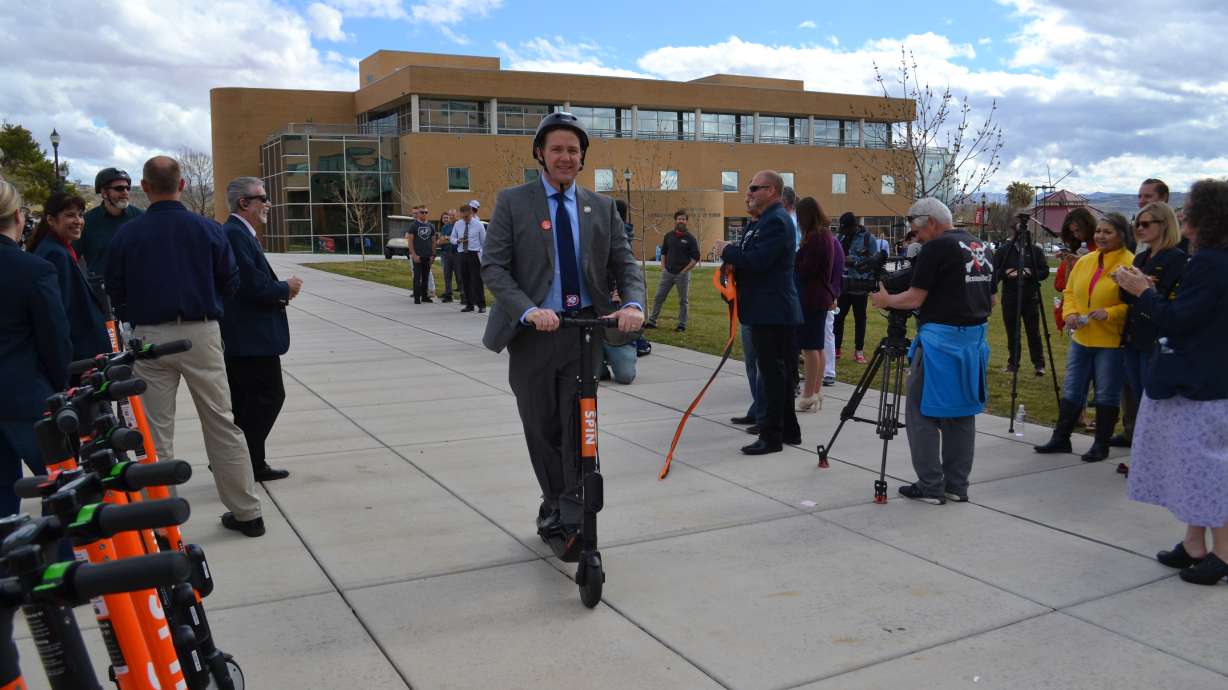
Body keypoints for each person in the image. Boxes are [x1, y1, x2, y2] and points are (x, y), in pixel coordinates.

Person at [480, 112, 644, 546]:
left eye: (573, 150)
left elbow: (624, 263)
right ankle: (554, 500)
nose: (566, 157)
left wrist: (632, 303)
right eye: (557, 149)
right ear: (540, 153)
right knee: (542, 425)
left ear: (582, 157)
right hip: (534, 334)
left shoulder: (601, 207)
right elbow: (494, 267)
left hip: (582, 331)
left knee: (579, 426)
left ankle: (572, 510)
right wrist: (528, 310)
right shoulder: (514, 201)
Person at [105, 156, 264, 537]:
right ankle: (247, 512)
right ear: (180, 185)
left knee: (155, 432)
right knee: (222, 423)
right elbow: (230, 280)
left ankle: (160, 524)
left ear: (145, 187)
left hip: (149, 337)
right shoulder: (209, 229)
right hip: (201, 331)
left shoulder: (127, 235)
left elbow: (114, 288)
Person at [1115, 178, 1228, 586]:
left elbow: (1180, 322)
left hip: (1202, 384)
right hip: (1205, 380)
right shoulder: (1211, 259)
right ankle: (1194, 544)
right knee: (1194, 466)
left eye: (1190, 207)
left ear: (1208, 216)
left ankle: (1223, 554)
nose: (1182, 214)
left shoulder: (1210, 263)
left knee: (1209, 467)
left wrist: (1143, 292)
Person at [870, 198, 994, 505]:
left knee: (921, 412)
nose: (915, 237)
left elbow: (913, 298)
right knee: (961, 413)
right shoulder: (980, 245)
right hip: (973, 343)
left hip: (940, 342)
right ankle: (956, 484)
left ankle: (930, 484)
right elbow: (991, 301)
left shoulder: (937, 247)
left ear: (932, 223)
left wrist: (886, 301)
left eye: (916, 230)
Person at [713, 171, 802, 455]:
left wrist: (727, 251)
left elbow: (758, 261)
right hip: (765, 309)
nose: (748, 193)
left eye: (754, 188)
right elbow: (751, 258)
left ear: (773, 190)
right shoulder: (762, 222)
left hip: (773, 311)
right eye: (748, 189)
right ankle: (788, 430)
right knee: (778, 374)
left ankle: (772, 436)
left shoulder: (776, 221)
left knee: (774, 376)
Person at [219, 176, 301, 483]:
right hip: (249, 339)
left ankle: (244, 462)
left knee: (246, 403)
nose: (268, 203)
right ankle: (244, 463)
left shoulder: (241, 233)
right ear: (244, 203)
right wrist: (285, 287)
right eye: (262, 198)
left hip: (247, 337)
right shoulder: (236, 234)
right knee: (268, 397)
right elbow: (250, 285)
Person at [1034, 213, 1134, 463]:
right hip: (1081, 337)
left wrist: (1109, 313)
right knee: (1073, 387)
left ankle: (1101, 445)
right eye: (1099, 231)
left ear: (1121, 235)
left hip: (1110, 342)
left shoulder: (1130, 263)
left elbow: (1135, 303)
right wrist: (1070, 313)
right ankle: (1061, 437)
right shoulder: (1085, 261)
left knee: (1106, 393)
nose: (1101, 236)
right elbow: (1070, 292)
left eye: (1107, 232)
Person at [0, 181, 72, 516]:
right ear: (18, 216)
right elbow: (55, 341)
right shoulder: (33, 270)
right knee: (65, 492)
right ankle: (63, 563)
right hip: (26, 396)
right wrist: (61, 388)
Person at [1113, 202, 1187, 469]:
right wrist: (1123, 281)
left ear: (1164, 225)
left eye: (1146, 224)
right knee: (1138, 396)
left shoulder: (1175, 258)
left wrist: (1143, 288)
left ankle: (1154, 459)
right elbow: (1126, 297)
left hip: (1154, 337)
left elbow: (1167, 299)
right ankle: (1144, 457)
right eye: (1137, 224)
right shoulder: (1141, 258)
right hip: (1133, 335)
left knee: (1152, 398)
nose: (1140, 229)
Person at [28, 192, 111, 363]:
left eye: (80, 215)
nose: (78, 221)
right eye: (70, 215)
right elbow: (59, 313)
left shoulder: (60, 249)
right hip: (78, 357)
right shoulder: (55, 254)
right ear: (51, 220)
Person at [990, 225, 1051, 375]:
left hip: (1030, 297)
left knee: (1033, 332)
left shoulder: (1035, 251)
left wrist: (1031, 272)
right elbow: (994, 273)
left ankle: (1039, 364)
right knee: (1012, 332)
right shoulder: (1004, 250)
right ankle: (1013, 364)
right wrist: (1005, 273)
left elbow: (1045, 271)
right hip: (1010, 297)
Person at [793, 197, 835, 412]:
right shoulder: (825, 235)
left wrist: (795, 261)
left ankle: (808, 394)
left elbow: (806, 269)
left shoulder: (816, 238)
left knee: (810, 348)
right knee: (817, 346)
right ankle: (816, 391)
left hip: (811, 297)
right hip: (819, 297)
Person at [76, 167, 143, 279]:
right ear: (104, 193)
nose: (125, 192)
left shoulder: (141, 218)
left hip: (135, 289)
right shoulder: (87, 221)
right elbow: (72, 257)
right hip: (100, 290)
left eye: (127, 188)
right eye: (119, 188)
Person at [645, 209, 700, 332]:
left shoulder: (690, 238)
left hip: (682, 275)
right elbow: (663, 252)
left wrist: (684, 271)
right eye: (679, 219)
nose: (681, 221)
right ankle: (652, 321)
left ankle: (682, 324)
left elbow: (696, 258)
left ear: (686, 221)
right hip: (668, 273)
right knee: (659, 297)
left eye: (683, 219)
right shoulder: (668, 236)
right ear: (676, 220)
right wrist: (663, 267)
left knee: (683, 301)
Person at [834, 212, 876, 364]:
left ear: (854, 226)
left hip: (860, 284)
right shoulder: (840, 237)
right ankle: (836, 349)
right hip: (843, 285)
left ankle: (859, 351)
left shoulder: (868, 239)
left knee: (860, 319)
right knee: (838, 317)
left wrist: (856, 261)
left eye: (846, 229)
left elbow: (874, 260)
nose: (844, 232)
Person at [1052, 207, 1098, 332]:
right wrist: (1068, 266)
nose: (1076, 235)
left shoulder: (1099, 248)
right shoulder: (1072, 250)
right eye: (1073, 232)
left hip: (1094, 311)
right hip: (1074, 313)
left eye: (1078, 230)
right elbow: (1059, 285)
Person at [452, 200, 486, 313]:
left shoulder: (479, 225)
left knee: (476, 280)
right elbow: (452, 238)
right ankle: (469, 304)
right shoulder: (458, 224)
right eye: (463, 217)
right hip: (462, 253)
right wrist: (457, 240)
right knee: (465, 280)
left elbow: (484, 242)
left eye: (466, 217)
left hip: (474, 253)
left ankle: (481, 305)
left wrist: (482, 256)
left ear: (471, 213)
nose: (465, 219)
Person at [822, 227, 845, 387]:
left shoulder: (831, 241)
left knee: (826, 332)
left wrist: (834, 294)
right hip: (811, 294)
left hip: (825, 294)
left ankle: (829, 371)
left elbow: (837, 269)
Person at [406, 205, 436, 304]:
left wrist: (433, 255)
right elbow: (410, 241)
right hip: (418, 255)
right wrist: (414, 255)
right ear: (418, 214)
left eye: (426, 212)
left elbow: (433, 241)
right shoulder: (413, 225)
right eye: (422, 212)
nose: (424, 214)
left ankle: (424, 296)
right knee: (417, 277)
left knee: (426, 277)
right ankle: (417, 297)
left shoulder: (431, 226)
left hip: (427, 255)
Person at [436, 209, 460, 302]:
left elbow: (460, 240)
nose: (451, 217)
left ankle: (463, 295)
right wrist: (450, 239)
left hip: (457, 253)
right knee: (447, 275)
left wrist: (448, 238)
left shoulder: (460, 226)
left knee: (459, 275)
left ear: (456, 215)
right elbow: (441, 241)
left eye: (453, 215)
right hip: (446, 253)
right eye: (450, 216)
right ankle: (448, 294)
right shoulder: (445, 227)